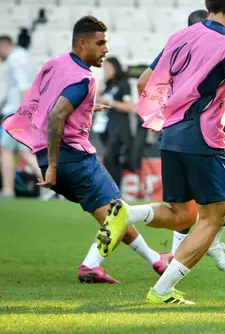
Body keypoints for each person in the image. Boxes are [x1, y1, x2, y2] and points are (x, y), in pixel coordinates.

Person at [96, 0, 225, 305]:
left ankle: (127, 214)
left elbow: (145, 80)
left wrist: (161, 115)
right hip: (203, 138)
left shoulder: (180, 36)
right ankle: (162, 292)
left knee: (184, 215)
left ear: (207, 0)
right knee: (215, 216)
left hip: (171, 135)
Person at [2, 16, 172, 284]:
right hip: (74, 157)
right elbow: (57, 115)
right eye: (100, 42)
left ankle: (155, 260)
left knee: (112, 214)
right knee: (119, 213)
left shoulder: (54, 63)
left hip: (47, 155)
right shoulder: (84, 78)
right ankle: (91, 265)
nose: (106, 49)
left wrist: (84, 109)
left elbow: (47, 103)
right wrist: (56, 168)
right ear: (82, 44)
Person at [169, 8, 225, 272]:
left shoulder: (217, 52)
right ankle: (174, 254)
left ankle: (210, 242)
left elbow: (220, 102)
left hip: (207, 136)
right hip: (184, 135)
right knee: (186, 204)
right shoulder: (179, 54)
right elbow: (151, 85)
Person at [0, 35, 42, 198]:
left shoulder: (14, 59)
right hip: (28, 110)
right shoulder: (27, 56)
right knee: (25, 153)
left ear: (3, 45)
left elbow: (23, 86)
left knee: (6, 150)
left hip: (16, 112)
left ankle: (8, 190)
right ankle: (57, 186)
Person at [96, 57, 134, 188]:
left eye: (108, 68)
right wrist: (100, 86)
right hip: (107, 128)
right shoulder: (108, 86)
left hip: (119, 128)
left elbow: (129, 107)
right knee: (109, 160)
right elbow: (96, 101)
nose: (106, 71)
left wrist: (111, 103)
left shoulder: (123, 84)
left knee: (110, 158)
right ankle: (113, 190)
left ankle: (114, 189)